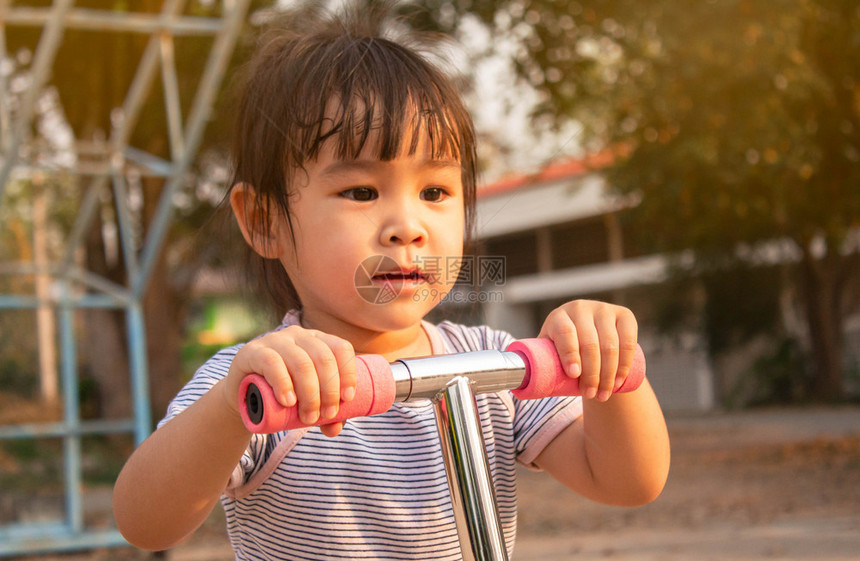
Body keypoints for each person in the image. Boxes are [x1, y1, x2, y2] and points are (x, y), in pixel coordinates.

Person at [112, 4, 670, 560]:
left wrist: (613, 373)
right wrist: (232, 409)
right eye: (360, 192)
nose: (408, 227)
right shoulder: (266, 381)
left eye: (434, 193)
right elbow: (144, 522)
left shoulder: (494, 365)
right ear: (265, 220)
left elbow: (627, 482)